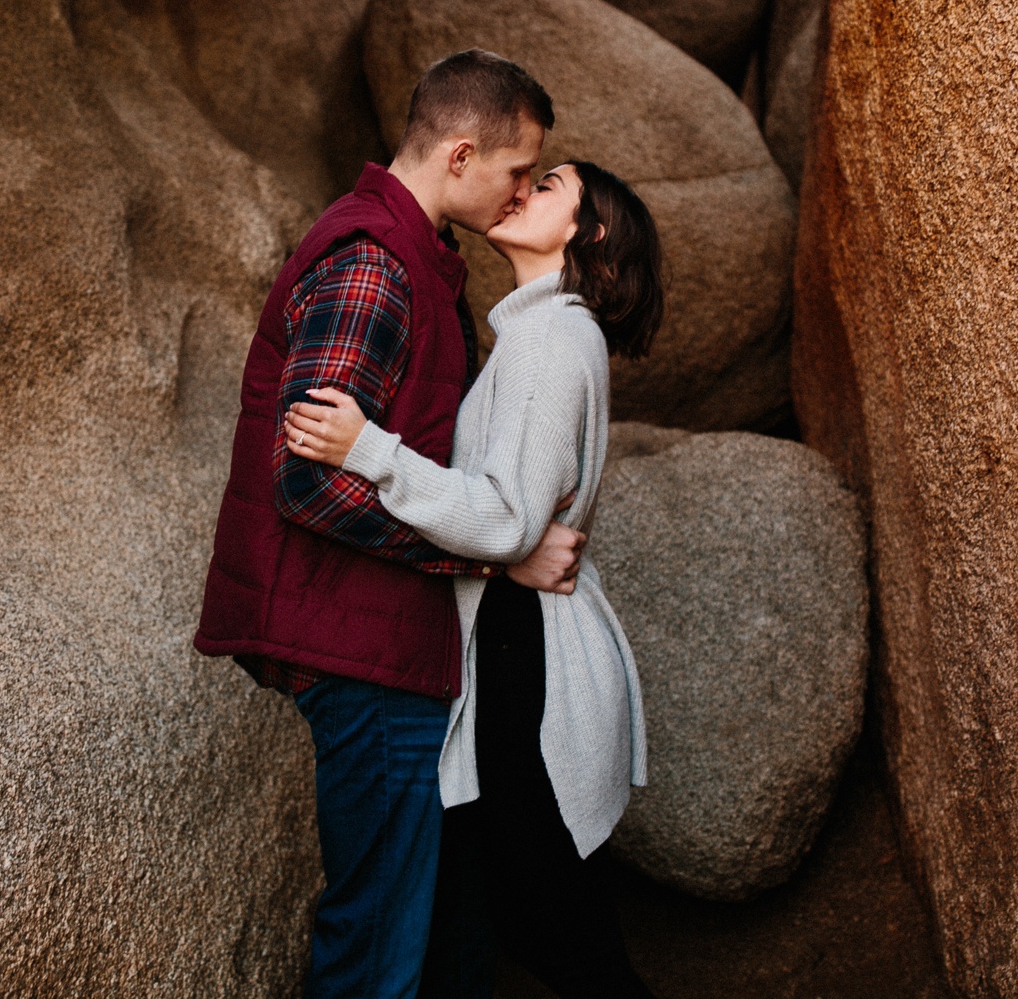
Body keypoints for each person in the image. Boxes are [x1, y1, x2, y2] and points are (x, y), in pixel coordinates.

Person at [194, 49, 589, 999]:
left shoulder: (417, 262)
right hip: (359, 650)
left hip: (383, 640)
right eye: (515, 171)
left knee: (415, 921)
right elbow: (306, 481)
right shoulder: (374, 265)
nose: (520, 190)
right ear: (460, 156)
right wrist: (498, 561)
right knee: (376, 943)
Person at [282, 160, 665, 998]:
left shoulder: (550, 341)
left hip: (529, 661)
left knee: (558, 932)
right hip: (515, 646)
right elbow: (515, 530)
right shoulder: (539, 337)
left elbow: (505, 520)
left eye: (550, 183)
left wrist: (367, 450)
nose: (523, 187)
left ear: (587, 231)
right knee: (487, 920)